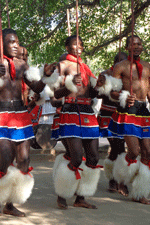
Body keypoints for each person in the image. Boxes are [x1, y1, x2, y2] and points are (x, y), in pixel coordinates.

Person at [0, 28, 57, 218]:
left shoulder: (22, 65)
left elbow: (37, 87)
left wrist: (45, 75)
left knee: (24, 159)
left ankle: (9, 204)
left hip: (21, 114)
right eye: (11, 42)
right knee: (5, 155)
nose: (16, 45)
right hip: (0, 114)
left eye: (17, 42)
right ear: (1, 43)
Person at [104, 35, 150, 205]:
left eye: (139, 43)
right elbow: (112, 92)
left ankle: (140, 192)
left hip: (143, 111)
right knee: (134, 152)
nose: (137, 46)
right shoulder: (120, 66)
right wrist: (123, 97)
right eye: (133, 44)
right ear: (128, 47)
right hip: (127, 110)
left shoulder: (147, 66)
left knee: (147, 152)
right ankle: (122, 179)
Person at [52, 35, 102, 210]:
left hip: (88, 112)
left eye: (81, 44)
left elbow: (93, 94)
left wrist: (99, 87)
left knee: (94, 157)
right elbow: (55, 95)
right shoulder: (62, 66)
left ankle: (81, 197)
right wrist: (70, 85)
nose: (79, 47)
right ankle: (62, 194)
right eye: (75, 44)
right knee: (75, 157)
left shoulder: (86, 68)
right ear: (67, 47)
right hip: (70, 111)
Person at [97, 52, 128, 193]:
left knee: (120, 148)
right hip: (107, 115)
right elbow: (99, 92)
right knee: (117, 146)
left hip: (122, 115)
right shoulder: (106, 74)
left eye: (124, 61)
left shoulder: (129, 75)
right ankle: (113, 180)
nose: (122, 64)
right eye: (119, 62)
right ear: (115, 62)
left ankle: (118, 179)